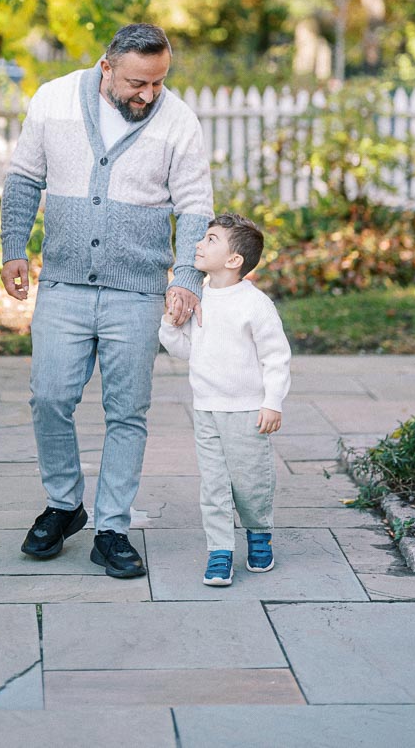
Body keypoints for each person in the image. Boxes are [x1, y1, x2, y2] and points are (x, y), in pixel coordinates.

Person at [1, 23, 213, 579]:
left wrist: (187, 277)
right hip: (65, 283)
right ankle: (65, 504)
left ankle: (112, 526)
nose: (148, 94)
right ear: (106, 68)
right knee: (49, 397)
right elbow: (24, 178)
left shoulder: (179, 120)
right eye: (137, 83)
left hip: (138, 291)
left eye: (158, 82)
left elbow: (194, 205)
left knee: (127, 412)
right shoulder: (52, 100)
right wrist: (12, 248)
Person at [158, 212, 291, 587]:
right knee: (213, 484)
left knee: (251, 482)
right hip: (206, 409)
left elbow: (276, 357)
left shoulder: (255, 304)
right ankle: (219, 550)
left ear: (234, 261)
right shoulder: (198, 296)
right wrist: (169, 323)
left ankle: (258, 533)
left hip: (248, 411)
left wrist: (273, 401)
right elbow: (187, 350)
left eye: (211, 240)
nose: (199, 244)